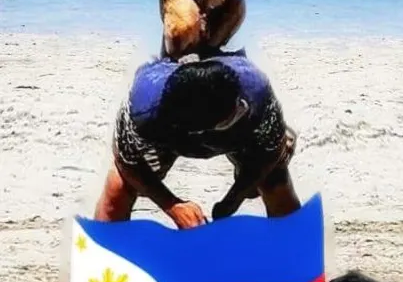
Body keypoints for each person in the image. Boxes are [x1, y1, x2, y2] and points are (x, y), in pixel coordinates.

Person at [95, 50, 300, 229]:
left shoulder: (255, 94)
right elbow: (126, 160)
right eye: (235, 111)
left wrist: (234, 197)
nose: (242, 106)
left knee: (275, 177)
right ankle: (102, 258)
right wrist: (172, 205)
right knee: (119, 184)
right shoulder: (144, 108)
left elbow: (271, 153)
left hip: (244, 132)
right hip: (171, 132)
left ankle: (293, 259)